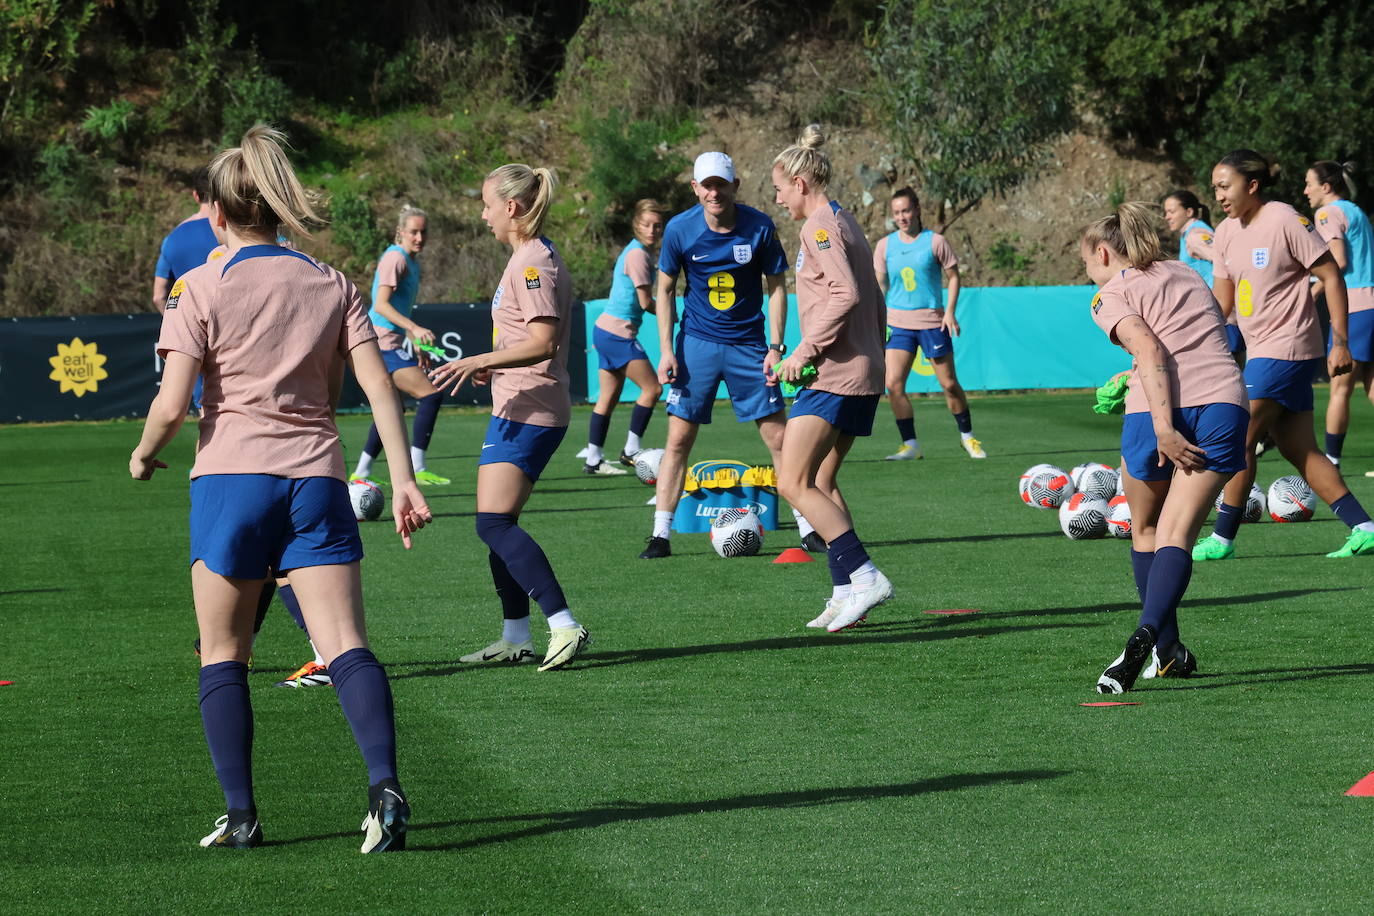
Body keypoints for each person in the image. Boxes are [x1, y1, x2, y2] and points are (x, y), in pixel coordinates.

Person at [131, 124, 431, 852]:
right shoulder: (332, 283)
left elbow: (173, 405)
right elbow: (377, 388)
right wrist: (401, 478)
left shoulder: (200, 284)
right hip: (318, 479)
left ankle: (242, 815)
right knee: (347, 645)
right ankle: (385, 787)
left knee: (223, 655)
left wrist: (143, 454)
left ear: (218, 215)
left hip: (232, 482)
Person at [1080, 203, 1248, 692]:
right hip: (1223, 402)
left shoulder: (1108, 294)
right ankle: (1166, 649)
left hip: (1158, 413)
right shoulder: (1186, 273)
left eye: (1086, 263)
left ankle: (1148, 635)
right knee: (1178, 531)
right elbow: (1206, 340)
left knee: (1147, 527)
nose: (1088, 273)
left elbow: (1151, 350)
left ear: (1104, 252)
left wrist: (1165, 429)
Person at [430, 164, 589, 672]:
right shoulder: (526, 256)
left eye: (487, 204)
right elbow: (524, 339)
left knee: (493, 523)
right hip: (518, 403)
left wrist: (479, 360)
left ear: (513, 208)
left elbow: (543, 342)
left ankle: (563, 625)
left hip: (533, 408)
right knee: (500, 522)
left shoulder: (532, 263)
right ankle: (516, 636)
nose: (483, 214)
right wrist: (492, 365)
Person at [1191, 150, 1374, 561]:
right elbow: (1221, 304)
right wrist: (1189, 341)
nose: (1218, 195)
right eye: (1215, 187)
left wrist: (1340, 341)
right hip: (1263, 349)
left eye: (1225, 186)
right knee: (1300, 449)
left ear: (1252, 185)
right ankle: (1364, 527)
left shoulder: (1285, 219)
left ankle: (1222, 537)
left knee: (1239, 437)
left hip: (1288, 347)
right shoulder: (1223, 233)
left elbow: (1330, 274)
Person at [639, 151, 809, 559]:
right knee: (679, 438)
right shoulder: (680, 229)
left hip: (749, 346)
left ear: (735, 186)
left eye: (721, 184)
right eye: (706, 185)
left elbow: (778, 285)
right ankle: (660, 535)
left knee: (780, 438)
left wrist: (776, 346)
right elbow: (663, 290)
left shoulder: (759, 226)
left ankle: (808, 527)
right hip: (695, 343)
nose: (714, 192)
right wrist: (665, 350)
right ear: (695, 188)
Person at [770, 127, 894, 631]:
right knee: (820, 481)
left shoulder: (819, 227)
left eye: (779, 187)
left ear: (800, 183)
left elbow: (845, 294)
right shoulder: (843, 219)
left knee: (792, 481)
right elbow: (873, 298)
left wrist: (804, 350)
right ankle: (846, 590)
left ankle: (865, 577)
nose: (776, 197)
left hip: (836, 374)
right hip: (857, 369)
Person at [874, 187, 985, 461]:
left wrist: (949, 312)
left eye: (906, 210)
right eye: (897, 212)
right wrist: (877, 318)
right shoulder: (885, 246)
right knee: (893, 384)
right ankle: (911, 444)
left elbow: (954, 277)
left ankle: (967, 437)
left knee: (948, 384)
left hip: (932, 322)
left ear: (917, 210)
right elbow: (879, 286)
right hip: (898, 324)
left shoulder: (935, 241)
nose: (902, 217)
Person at [351, 206, 450, 486]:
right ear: (401, 231)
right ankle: (418, 467)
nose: (419, 237)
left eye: (423, 232)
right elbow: (380, 304)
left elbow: (395, 309)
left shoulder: (410, 260)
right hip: (379, 343)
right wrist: (414, 328)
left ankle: (361, 473)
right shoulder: (396, 258)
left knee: (391, 407)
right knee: (431, 394)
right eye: (414, 231)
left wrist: (413, 338)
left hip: (387, 340)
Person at [581, 198, 668, 475]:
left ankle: (593, 459)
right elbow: (645, 302)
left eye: (657, 225)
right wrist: (672, 314)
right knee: (652, 389)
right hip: (618, 333)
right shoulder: (638, 254)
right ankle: (631, 450)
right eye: (646, 225)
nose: (652, 230)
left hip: (605, 330)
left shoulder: (636, 251)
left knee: (607, 397)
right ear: (636, 225)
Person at [1304, 161, 1374, 468]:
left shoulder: (1326, 213)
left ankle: (1331, 460)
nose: (1305, 191)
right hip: (1371, 303)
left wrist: (1314, 290)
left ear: (1326, 187)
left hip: (1356, 306)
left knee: (1340, 386)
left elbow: (1338, 262)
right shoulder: (1355, 209)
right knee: (1371, 382)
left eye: (1309, 184)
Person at [153, 166, 219, 411]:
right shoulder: (241, 230)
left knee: (207, 412)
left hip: (199, 342)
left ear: (195, 195)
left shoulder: (174, 238)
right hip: (242, 339)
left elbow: (159, 295)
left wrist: (183, 326)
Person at [1163, 189, 1248, 361]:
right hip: (1218, 312)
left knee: (1228, 370)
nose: (1167, 217)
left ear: (1189, 212)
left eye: (1171, 212)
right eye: (1165, 212)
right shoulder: (1189, 234)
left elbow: (1226, 261)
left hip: (1221, 314)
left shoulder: (1195, 236)